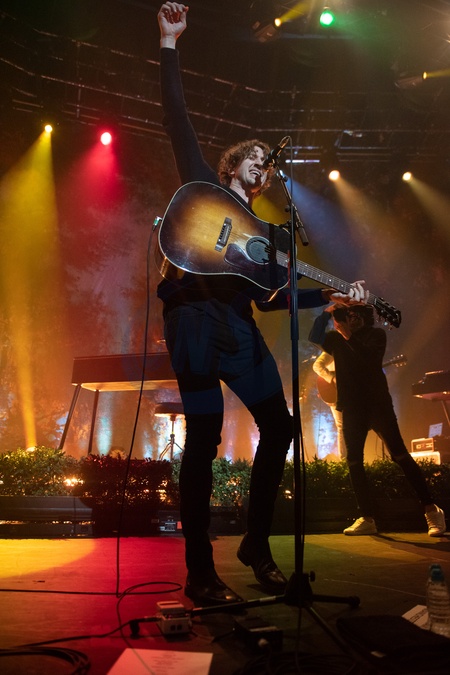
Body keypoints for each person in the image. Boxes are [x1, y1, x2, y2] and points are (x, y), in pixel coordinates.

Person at [156, 2, 369, 606]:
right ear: (234, 164)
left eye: (267, 166)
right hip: (193, 319)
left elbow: (272, 301)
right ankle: (200, 571)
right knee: (203, 438)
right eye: (254, 157)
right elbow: (176, 119)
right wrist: (169, 43)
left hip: (238, 327)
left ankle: (256, 543)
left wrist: (331, 294)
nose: (263, 166)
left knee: (280, 426)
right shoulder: (204, 188)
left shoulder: (269, 234)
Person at [308, 305, 446, 537]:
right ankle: (367, 517)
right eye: (348, 317)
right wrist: (327, 312)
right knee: (354, 461)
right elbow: (314, 336)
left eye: (355, 317)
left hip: (377, 406)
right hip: (351, 408)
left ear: (365, 319)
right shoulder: (336, 339)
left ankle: (432, 509)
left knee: (399, 455)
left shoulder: (376, 335)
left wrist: (347, 334)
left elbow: (369, 359)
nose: (351, 320)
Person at [312, 351, 347, 459]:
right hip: (336, 392)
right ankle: (344, 459)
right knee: (342, 425)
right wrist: (332, 377)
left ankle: (350, 459)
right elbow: (317, 366)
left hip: (349, 391)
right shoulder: (334, 347)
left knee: (348, 425)